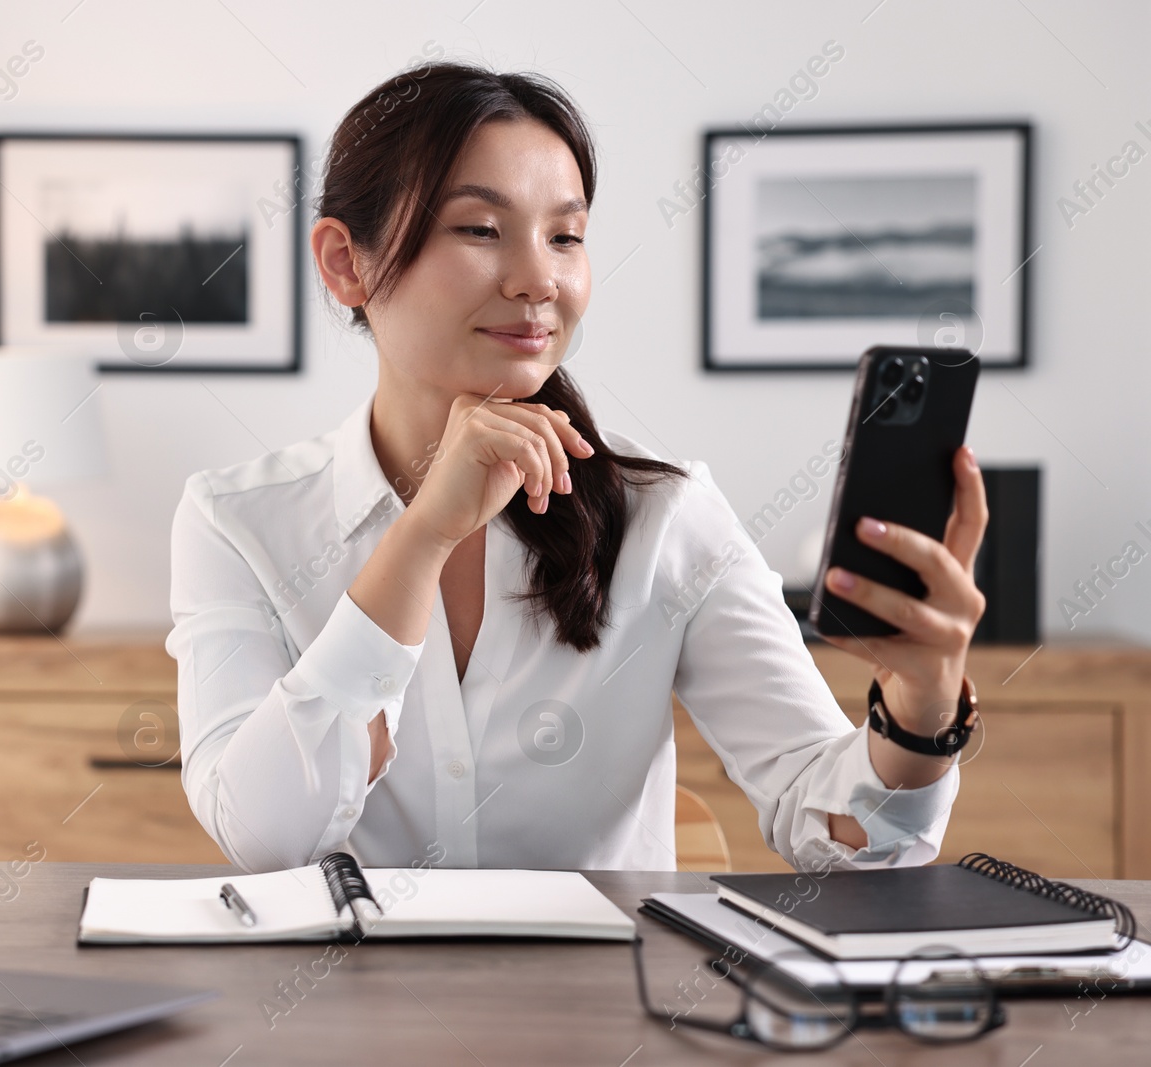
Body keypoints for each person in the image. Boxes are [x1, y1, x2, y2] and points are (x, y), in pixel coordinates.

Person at [165, 62, 988, 874]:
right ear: (346, 262)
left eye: (566, 236)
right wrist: (420, 539)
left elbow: (842, 836)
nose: (539, 280)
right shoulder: (237, 523)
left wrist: (918, 718)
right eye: (481, 230)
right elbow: (267, 834)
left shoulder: (665, 515)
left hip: (598, 1007)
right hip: (338, 1007)